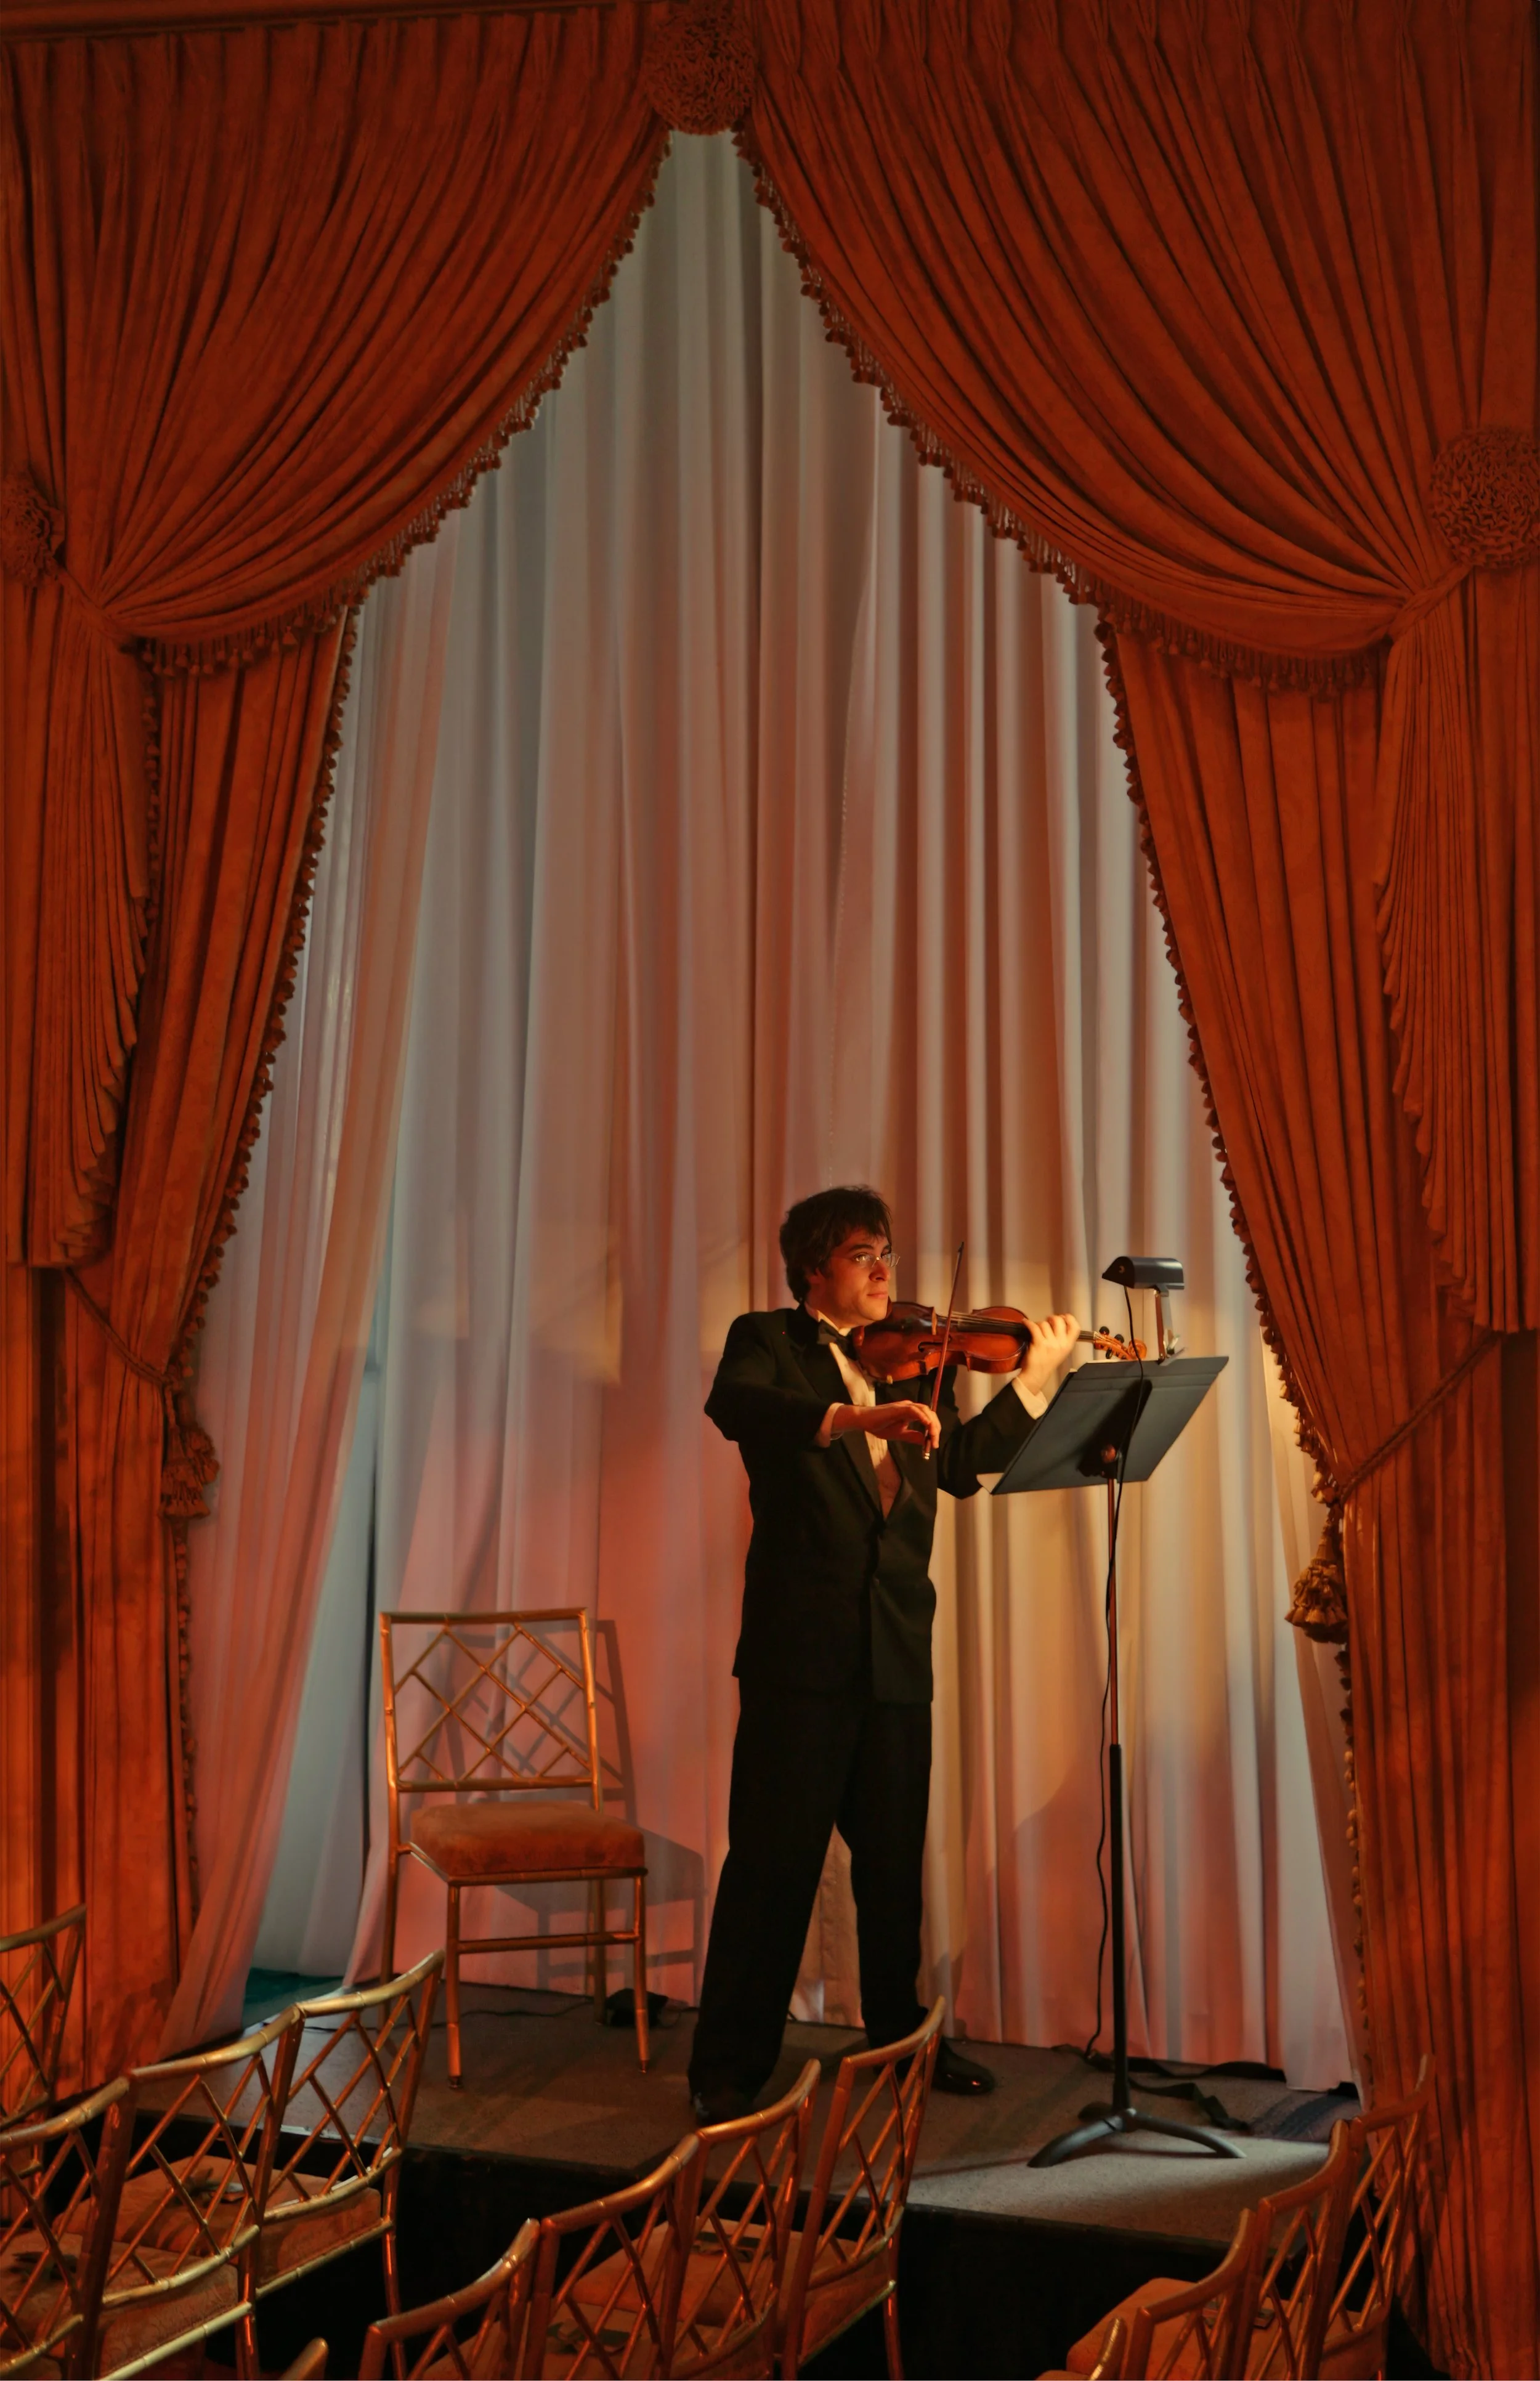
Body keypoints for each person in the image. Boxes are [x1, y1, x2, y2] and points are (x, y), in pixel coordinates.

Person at [688, 1185, 1079, 2122]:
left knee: (894, 1871)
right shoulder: (769, 1344)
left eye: (888, 1254)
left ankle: (901, 2046)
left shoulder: (914, 1372)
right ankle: (729, 2069)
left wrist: (1038, 1379)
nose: (884, 1273)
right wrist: (856, 1421)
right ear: (814, 1267)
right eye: (864, 1254)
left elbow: (962, 1464)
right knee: (772, 1868)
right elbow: (737, 1407)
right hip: (799, 1662)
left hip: (897, 1654)